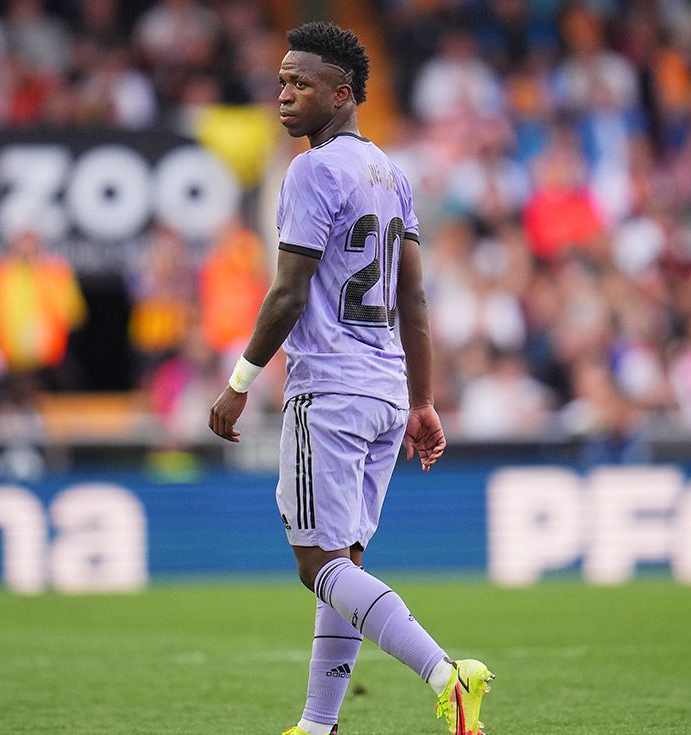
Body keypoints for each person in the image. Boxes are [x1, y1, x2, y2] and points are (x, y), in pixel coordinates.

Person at [208, 22, 494, 735]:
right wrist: (423, 400)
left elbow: (289, 289)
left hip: (328, 389)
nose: (283, 95)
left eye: (299, 83)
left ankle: (443, 672)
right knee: (341, 564)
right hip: (386, 392)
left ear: (342, 93)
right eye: (280, 81)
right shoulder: (393, 174)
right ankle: (317, 724)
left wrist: (240, 378)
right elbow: (414, 298)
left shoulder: (312, 170)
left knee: (316, 564)